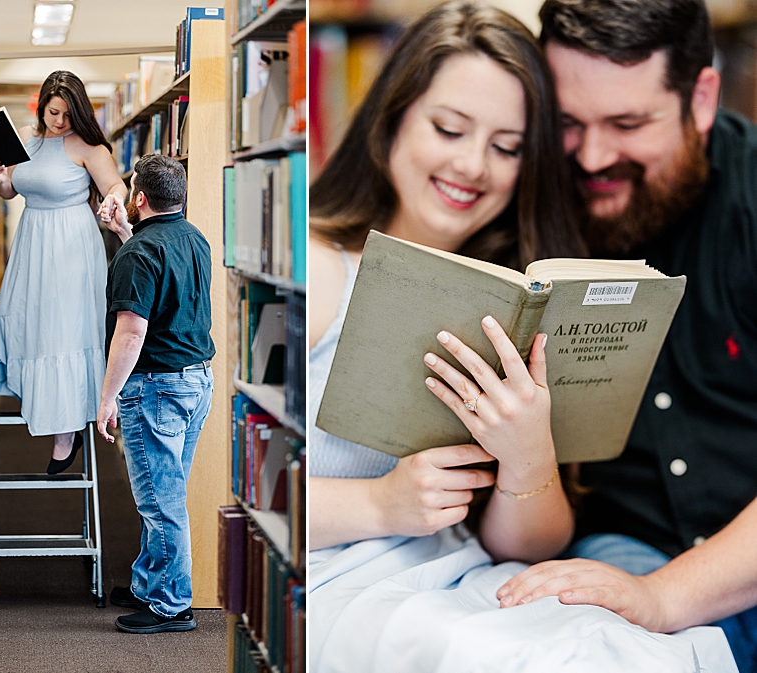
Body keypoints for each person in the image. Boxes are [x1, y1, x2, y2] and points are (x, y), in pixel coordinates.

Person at [308, 3, 736, 671]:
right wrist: (379, 501)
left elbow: (526, 547)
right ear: (391, 119)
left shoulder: (521, 295)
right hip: (344, 580)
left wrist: (529, 457)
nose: (473, 165)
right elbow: (235, 486)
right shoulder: (317, 268)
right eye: (448, 128)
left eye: (508, 147)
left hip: (462, 573)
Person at [494, 1, 757, 671]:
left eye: (629, 123)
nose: (595, 156)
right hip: (618, 544)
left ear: (700, 98)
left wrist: (665, 595)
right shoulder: (524, 203)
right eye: (569, 124)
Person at [95, 153, 214, 635]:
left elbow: (131, 332)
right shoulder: (194, 238)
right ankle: (151, 582)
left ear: (139, 198)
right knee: (166, 492)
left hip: (156, 388)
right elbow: (161, 278)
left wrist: (106, 398)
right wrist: (127, 232)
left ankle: (170, 604)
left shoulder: (137, 255)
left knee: (160, 502)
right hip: (195, 381)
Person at [0, 70, 127, 474]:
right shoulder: (27, 143)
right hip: (32, 239)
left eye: (68, 114)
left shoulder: (87, 146)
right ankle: (42, 403)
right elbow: (11, 190)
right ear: (42, 106)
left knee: (63, 330)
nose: (60, 121)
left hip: (70, 244)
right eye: (53, 112)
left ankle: (66, 432)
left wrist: (113, 202)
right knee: (26, 320)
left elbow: (115, 185)